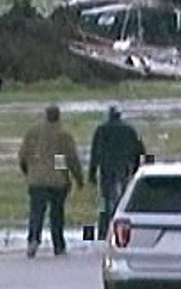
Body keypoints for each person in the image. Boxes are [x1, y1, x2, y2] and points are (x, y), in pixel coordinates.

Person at [18, 104, 84, 257]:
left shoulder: (33, 133)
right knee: (57, 214)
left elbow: (23, 156)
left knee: (36, 212)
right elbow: (70, 159)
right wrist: (77, 178)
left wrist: (29, 171)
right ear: (58, 116)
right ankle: (58, 244)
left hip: (36, 180)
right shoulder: (63, 135)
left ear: (45, 115)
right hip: (57, 181)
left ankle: (33, 240)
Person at [88, 104, 146, 239]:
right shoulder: (130, 130)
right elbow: (140, 151)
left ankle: (103, 232)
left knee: (106, 201)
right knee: (123, 202)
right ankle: (120, 233)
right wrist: (136, 169)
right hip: (124, 169)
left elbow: (95, 153)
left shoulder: (101, 130)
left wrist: (92, 173)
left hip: (106, 170)